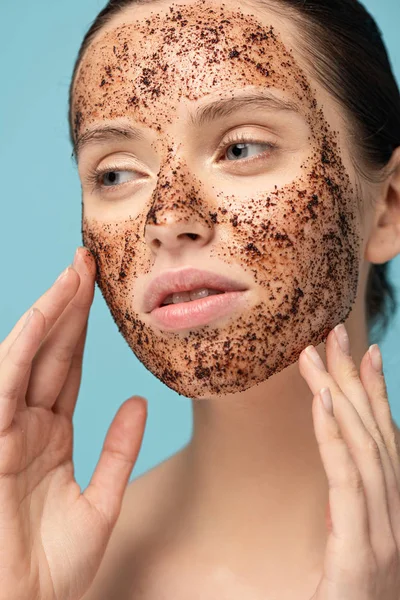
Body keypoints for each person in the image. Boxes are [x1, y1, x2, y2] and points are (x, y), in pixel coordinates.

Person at [1, 0, 400, 598]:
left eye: (241, 147)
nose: (168, 218)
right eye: (115, 173)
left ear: (389, 208)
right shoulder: (55, 572)